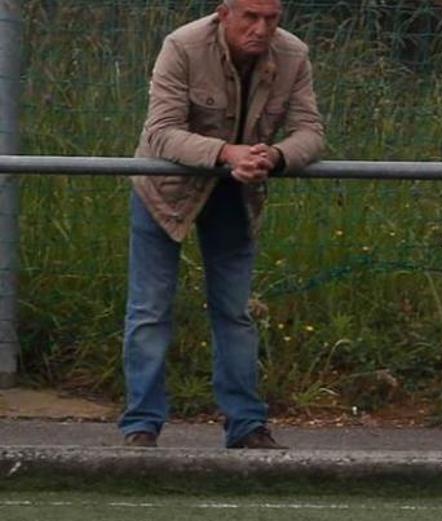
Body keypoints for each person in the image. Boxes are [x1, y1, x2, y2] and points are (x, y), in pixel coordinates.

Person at [121, 0, 324, 449]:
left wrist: (274, 156)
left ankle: (247, 425)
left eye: (271, 18)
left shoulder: (294, 54)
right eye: (250, 17)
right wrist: (226, 153)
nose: (261, 28)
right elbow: (160, 131)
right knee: (149, 309)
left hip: (238, 191)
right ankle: (141, 425)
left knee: (235, 311)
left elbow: (310, 130)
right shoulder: (182, 45)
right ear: (224, 13)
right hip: (165, 189)